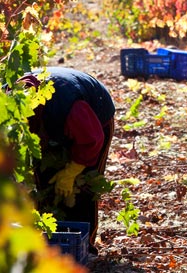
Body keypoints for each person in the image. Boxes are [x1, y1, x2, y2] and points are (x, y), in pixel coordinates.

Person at [19, 67, 116, 255]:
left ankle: (85, 248)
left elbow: (92, 140)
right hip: (57, 121)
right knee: (44, 181)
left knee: (84, 187)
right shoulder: (9, 102)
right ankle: (46, 241)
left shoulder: (66, 106)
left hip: (95, 121)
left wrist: (71, 171)